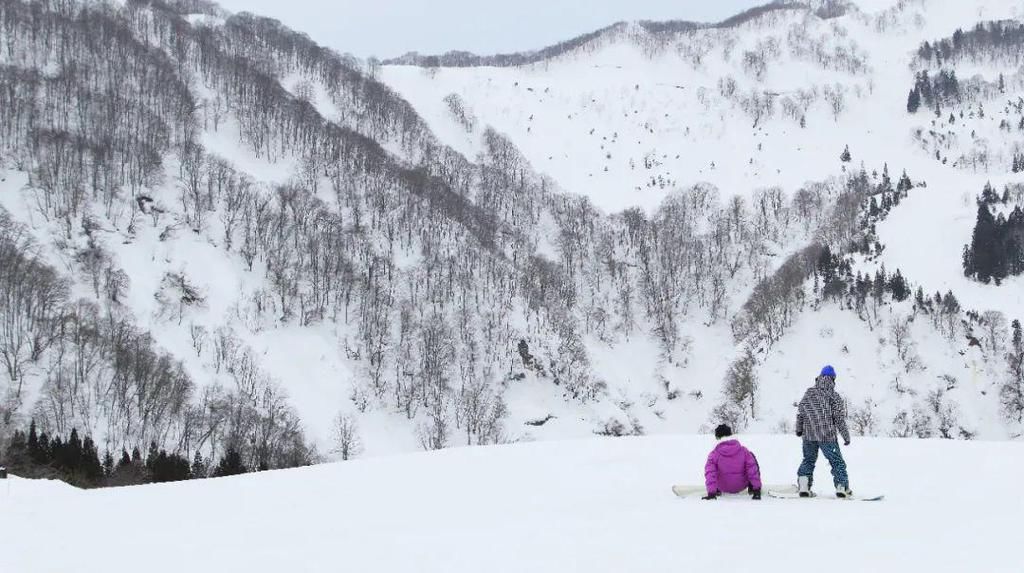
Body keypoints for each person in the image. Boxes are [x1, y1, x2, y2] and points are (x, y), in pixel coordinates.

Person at [796, 365, 852, 498]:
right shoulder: (834, 396)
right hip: (827, 436)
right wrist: (846, 436)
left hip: (809, 435)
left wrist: (799, 429)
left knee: (808, 460)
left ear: (819, 377)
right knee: (836, 461)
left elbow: (801, 413)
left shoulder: (809, 393)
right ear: (833, 379)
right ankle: (841, 487)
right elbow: (839, 419)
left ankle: (804, 486)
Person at [702, 424, 762, 500]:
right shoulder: (744, 451)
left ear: (717, 437)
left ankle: (716, 490)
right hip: (741, 485)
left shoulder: (714, 454)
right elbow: (752, 469)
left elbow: (710, 473)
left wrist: (711, 493)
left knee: (712, 466)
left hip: (722, 487)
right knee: (751, 458)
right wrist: (757, 490)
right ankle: (753, 488)